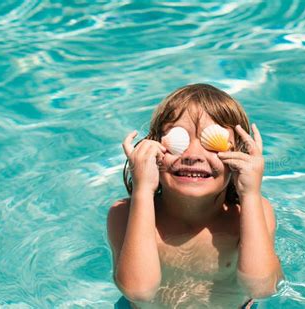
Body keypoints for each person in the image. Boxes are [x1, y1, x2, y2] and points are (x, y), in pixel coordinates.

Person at [107, 83, 284, 308]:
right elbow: (139, 292)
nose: (193, 155)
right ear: (153, 151)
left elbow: (262, 287)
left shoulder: (249, 214)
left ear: (239, 156)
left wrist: (250, 194)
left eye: (213, 142)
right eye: (176, 140)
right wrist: (142, 191)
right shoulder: (123, 214)